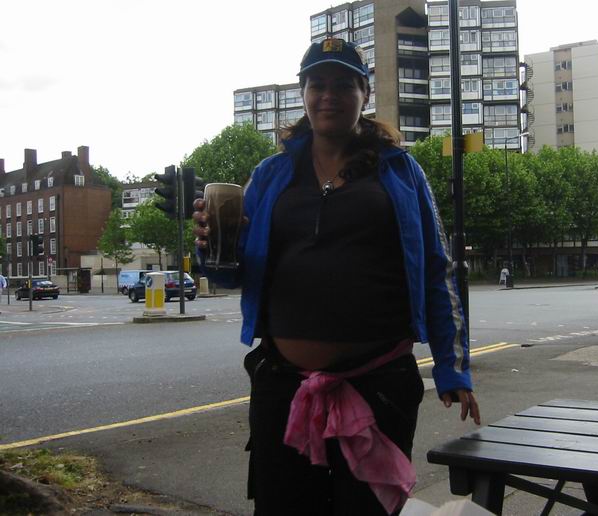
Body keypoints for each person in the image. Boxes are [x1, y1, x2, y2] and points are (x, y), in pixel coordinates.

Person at [193, 38, 480, 516]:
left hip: (379, 386)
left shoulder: (402, 172)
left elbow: (438, 270)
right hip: (283, 386)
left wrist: (453, 368)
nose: (329, 95)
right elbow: (233, 274)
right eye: (317, 84)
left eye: (344, 84)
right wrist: (209, 250)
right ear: (303, 94)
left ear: (365, 93)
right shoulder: (270, 175)